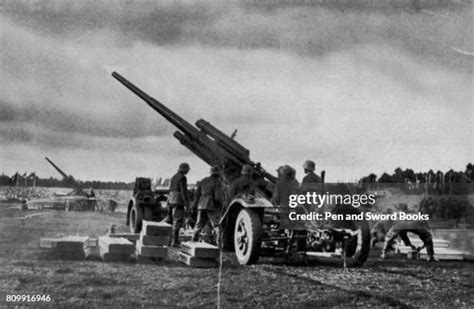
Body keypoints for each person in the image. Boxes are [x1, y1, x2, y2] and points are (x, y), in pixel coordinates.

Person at [192, 165, 224, 243]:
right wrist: (221, 204)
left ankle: (193, 241)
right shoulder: (217, 182)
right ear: (218, 174)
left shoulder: (204, 180)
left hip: (201, 204)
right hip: (211, 205)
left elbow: (197, 193)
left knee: (199, 225)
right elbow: (217, 197)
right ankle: (219, 244)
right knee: (216, 225)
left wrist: (195, 205)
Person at [167, 162, 190, 247]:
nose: (188, 171)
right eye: (187, 169)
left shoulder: (173, 177)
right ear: (184, 169)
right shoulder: (183, 178)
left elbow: (170, 189)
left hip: (170, 199)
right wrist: (187, 204)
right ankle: (174, 242)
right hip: (177, 200)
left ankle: (168, 241)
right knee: (177, 221)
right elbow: (183, 192)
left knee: (170, 220)